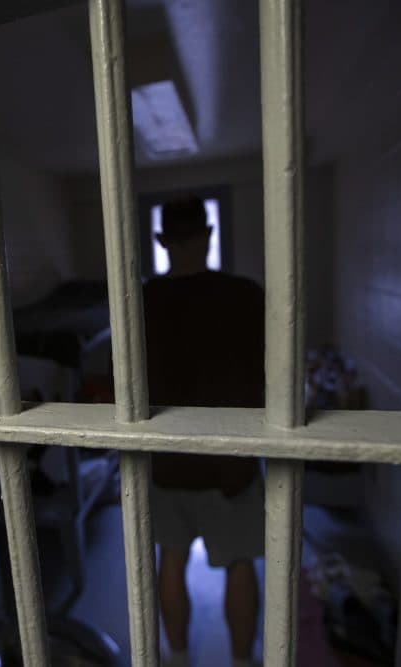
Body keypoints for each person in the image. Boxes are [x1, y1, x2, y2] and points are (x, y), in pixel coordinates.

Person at [143, 198, 266, 667]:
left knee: (170, 557)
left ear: (161, 241)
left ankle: (175, 658)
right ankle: (242, 661)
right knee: (240, 562)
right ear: (209, 234)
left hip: (166, 455)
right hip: (229, 455)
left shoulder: (144, 300)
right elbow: (272, 368)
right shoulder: (245, 295)